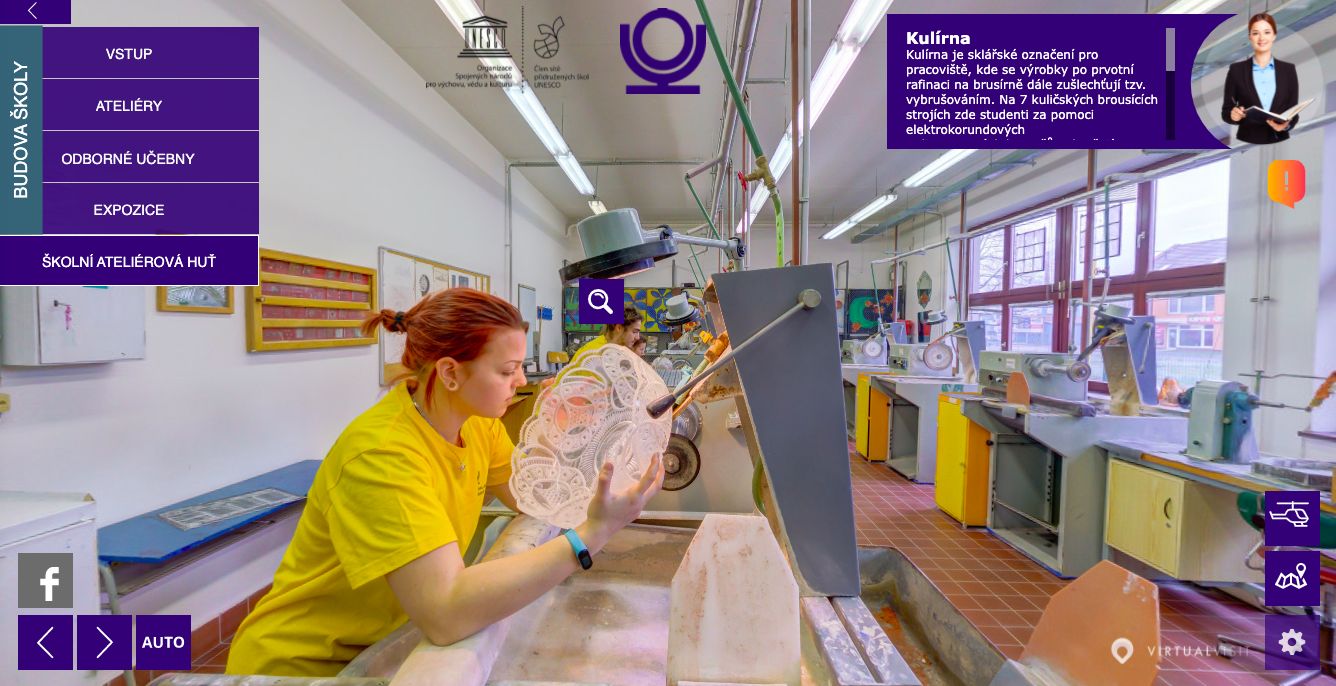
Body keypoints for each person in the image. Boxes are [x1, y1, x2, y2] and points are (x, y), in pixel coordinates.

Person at [226, 288, 664, 677]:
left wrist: (562, 429)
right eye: (507, 370)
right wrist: (592, 534)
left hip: (376, 649)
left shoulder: (476, 423)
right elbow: (446, 611)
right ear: (451, 373)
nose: (521, 381)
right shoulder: (382, 456)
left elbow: (532, 496)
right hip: (301, 668)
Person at [1222, 13, 1300, 145]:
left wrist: (1286, 126)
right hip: (1247, 140)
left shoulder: (1288, 70)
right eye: (1256, 33)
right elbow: (1227, 111)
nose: (1261, 38)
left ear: (1274, 35)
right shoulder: (1236, 70)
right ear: (1250, 37)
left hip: (1279, 138)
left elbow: (1293, 111)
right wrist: (1233, 116)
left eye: (1267, 32)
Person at [574, 303, 643, 359]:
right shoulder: (594, 353)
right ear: (619, 327)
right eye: (635, 332)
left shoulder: (613, 349)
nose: (638, 337)